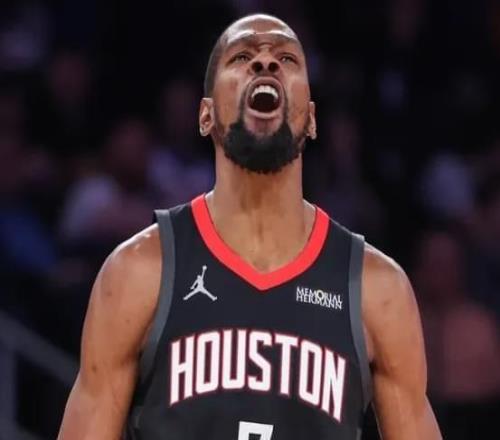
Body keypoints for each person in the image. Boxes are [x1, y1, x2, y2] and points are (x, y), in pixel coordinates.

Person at [57, 14, 442, 440]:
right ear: (205, 115)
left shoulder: (377, 289)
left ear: (312, 118)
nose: (265, 62)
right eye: (241, 57)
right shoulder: (138, 272)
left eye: (286, 58)